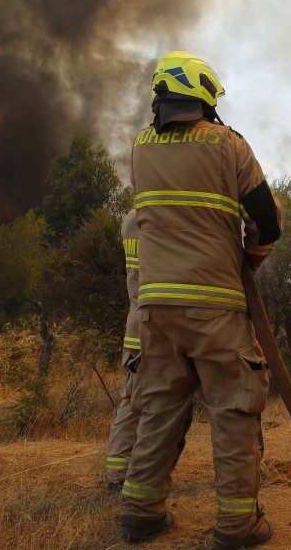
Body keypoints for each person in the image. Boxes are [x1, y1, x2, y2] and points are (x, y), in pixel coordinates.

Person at [121, 51, 282, 548]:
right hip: (215, 304)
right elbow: (267, 220)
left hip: (155, 307)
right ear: (204, 94)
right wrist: (249, 260)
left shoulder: (140, 148)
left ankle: (141, 514)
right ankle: (237, 525)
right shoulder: (228, 145)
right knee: (233, 410)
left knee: (158, 409)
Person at [103, 208, 193, 491]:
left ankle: (120, 474)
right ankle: (124, 477)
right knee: (147, 408)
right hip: (157, 331)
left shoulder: (131, 220)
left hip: (137, 331)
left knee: (132, 404)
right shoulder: (162, 219)